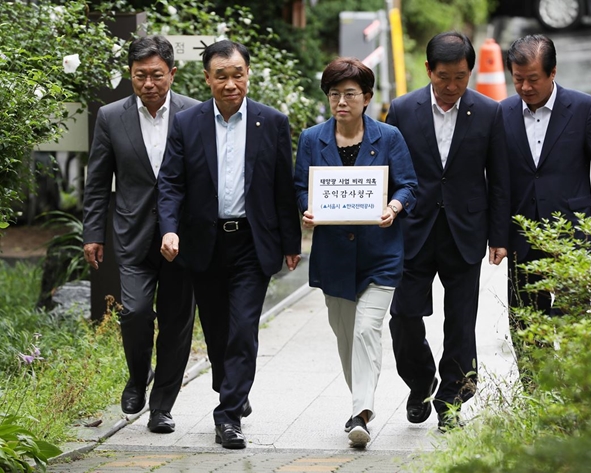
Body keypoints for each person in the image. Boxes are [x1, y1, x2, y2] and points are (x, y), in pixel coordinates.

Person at [157, 39, 302, 450]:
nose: (230, 83)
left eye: (238, 74)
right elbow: (171, 183)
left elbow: (281, 187)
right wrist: (170, 229)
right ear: (207, 78)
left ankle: (229, 415)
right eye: (221, 76)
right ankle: (231, 384)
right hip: (204, 243)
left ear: (248, 75)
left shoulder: (271, 122)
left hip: (252, 244)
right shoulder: (187, 124)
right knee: (218, 332)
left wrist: (291, 242)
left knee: (242, 330)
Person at [386, 32, 511, 431]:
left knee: (461, 321)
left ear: (470, 72)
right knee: (403, 315)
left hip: (466, 229)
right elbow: (389, 172)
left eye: (460, 77)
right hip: (413, 228)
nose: (452, 87)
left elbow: (500, 178)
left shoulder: (490, 112)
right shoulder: (404, 109)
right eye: (444, 78)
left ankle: (453, 398)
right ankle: (420, 382)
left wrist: (499, 236)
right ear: (428, 71)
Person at [293, 57, 417, 449]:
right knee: (346, 338)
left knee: (367, 330)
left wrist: (393, 207)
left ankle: (361, 413)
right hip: (334, 256)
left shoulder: (389, 137)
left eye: (349, 94)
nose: (341, 101)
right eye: (334, 94)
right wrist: (306, 209)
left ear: (367, 97)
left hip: (380, 253)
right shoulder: (313, 139)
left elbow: (408, 186)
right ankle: (358, 407)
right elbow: (300, 186)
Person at [82, 36, 199, 434]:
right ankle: (137, 375)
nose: (148, 83)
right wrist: (93, 233)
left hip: (181, 238)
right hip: (131, 233)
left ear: (172, 74)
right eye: (139, 76)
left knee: (176, 321)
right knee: (133, 312)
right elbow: (98, 182)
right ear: (130, 76)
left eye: (156, 75)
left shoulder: (194, 113)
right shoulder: (111, 116)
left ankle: (162, 406)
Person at [501, 34, 591, 317]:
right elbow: (496, 180)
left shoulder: (583, 109)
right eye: (518, 79)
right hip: (522, 235)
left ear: (552, 72)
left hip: (571, 233)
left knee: (574, 322)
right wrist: (497, 234)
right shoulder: (502, 112)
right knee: (527, 324)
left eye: (533, 78)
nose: (525, 87)